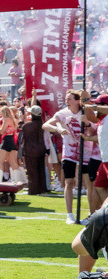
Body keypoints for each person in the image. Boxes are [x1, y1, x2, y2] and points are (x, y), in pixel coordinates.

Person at [43, 90, 86, 224]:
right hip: (69, 153)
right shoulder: (62, 113)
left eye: (69, 99)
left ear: (77, 101)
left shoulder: (84, 112)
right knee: (69, 182)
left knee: (87, 183)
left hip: (86, 152)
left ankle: (91, 214)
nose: (66, 101)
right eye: (66, 99)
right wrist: (58, 129)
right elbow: (45, 125)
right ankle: (69, 214)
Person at [21, 106, 48, 195]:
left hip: (30, 150)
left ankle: (33, 190)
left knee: (32, 171)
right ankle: (42, 189)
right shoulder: (42, 125)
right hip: (41, 150)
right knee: (41, 170)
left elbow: (22, 138)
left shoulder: (27, 126)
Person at [0, 105, 25, 183]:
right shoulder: (13, 120)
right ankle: (19, 180)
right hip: (12, 141)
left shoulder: (6, 119)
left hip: (6, 141)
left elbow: (1, 131)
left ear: (3, 112)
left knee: (0, 161)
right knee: (13, 162)